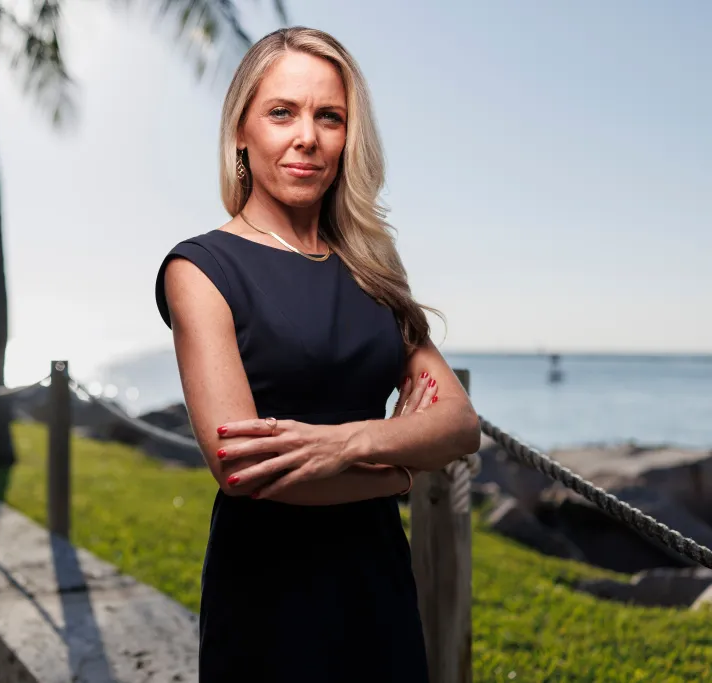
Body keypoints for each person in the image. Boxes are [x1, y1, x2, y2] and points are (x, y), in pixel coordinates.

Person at [155, 27, 482, 682]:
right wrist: (396, 466)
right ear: (241, 131)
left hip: (379, 587)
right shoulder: (199, 268)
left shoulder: (371, 264)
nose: (307, 136)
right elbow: (244, 470)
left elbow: (458, 423)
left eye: (328, 116)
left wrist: (347, 444)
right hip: (268, 601)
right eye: (283, 112)